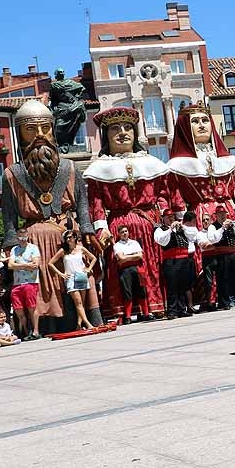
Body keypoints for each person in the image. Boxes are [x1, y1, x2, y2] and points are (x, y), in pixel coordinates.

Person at [1, 100, 100, 332]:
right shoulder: (11, 175)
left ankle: (83, 319)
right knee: (44, 283)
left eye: (45, 128)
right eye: (31, 129)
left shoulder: (70, 168)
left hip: (68, 234)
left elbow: (82, 204)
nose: (40, 135)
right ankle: (50, 326)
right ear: (20, 133)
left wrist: (87, 229)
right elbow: (8, 216)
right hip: (35, 241)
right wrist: (11, 243)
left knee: (77, 276)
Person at [84, 107, 172, 321]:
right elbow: (95, 202)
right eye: (115, 128)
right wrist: (101, 227)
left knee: (151, 267)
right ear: (106, 135)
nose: (122, 132)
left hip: (149, 222)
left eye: (127, 127)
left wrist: (165, 219)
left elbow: (162, 194)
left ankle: (154, 306)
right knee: (121, 270)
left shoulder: (151, 164)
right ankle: (124, 311)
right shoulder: (100, 168)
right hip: (119, 224)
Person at [154, 209, 203, 320]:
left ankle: (182, 309)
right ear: (163, 218)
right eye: (168, 217)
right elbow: (161, 241)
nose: (171, 218)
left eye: (172, 216)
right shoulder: (159, 229)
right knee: (172, 286)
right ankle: (172, 311)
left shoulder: (182, 227)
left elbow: (194, 235)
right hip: (171, 260)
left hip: (184, 259)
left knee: (183, 285)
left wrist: (182, 227)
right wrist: (170, 229)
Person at [47, 231, 96, 330]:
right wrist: (61, 274)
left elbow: (93, 258)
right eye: (67, 238)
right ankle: (87, 324)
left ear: (75, 238)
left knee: (81, 302)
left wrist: (88, 268)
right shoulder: (63, 251)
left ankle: (79, 324)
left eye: (70, 237)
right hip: (71, 278)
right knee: (78, 302)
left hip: (81, 276)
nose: (69, 239)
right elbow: (50, 263)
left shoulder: (80, 249)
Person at [205, 205, 235, 310]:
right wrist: (222, 228)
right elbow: (213, 239)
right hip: (221, 255)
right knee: (222, 279)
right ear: (216, 216)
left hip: (232, 253)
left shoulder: (231, 224)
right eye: (220, 214)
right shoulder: (213, 226)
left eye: (224, 214)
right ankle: (224, 302)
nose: (223, 216)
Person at [8, 228, 41, 340]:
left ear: (27, 236)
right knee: (18, 309)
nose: (23, 239)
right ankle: (27, 331)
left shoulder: (33, 248)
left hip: (30, 281)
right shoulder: (14, 249)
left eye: (25, 237)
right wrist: (26, 266)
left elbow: (36, 264)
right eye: (20, 237)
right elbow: (10, 265)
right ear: (17, 237)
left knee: (32, 307)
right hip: (17, 283)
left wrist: (18, 265)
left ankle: (36, 331)